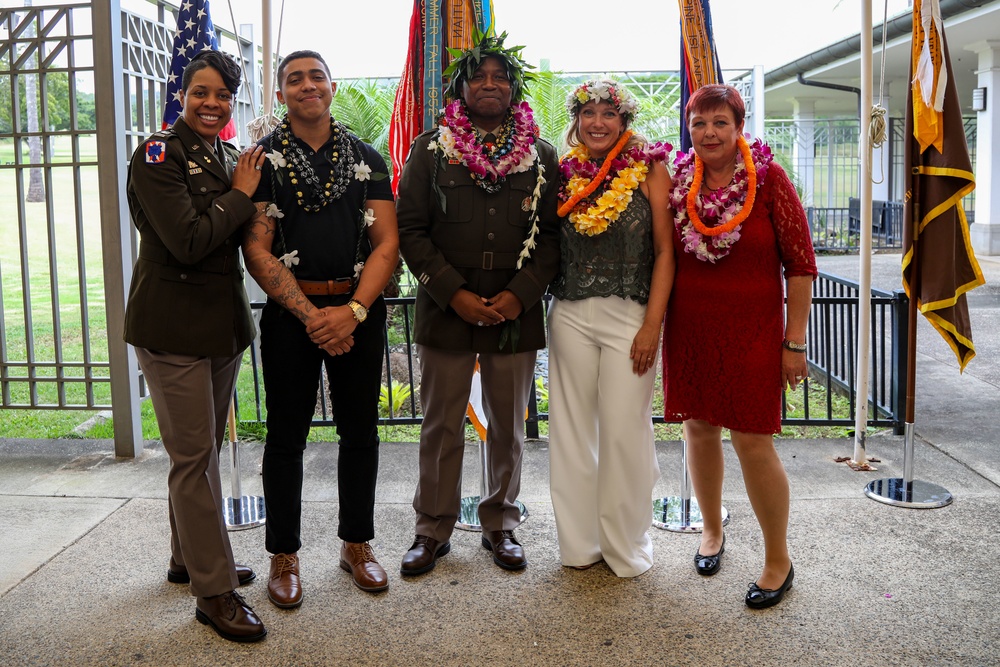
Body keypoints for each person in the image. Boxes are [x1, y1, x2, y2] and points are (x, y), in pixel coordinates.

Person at [395, 31, 560, 575]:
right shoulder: (430, 147)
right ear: (461, 88)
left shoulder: (541, 154)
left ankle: (501, 523)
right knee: (441, 422)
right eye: (478, 77)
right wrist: (453, 293)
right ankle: (432, 528)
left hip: (515, 312)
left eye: (500, 77)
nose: (489, 85)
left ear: (514, 88)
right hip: (447, 307)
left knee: (509, 423)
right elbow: (411, 229)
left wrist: (519, 297)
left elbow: (554, 239)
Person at [242, 50, 399, 605]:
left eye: (316, 76)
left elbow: (387, 243)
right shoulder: (262, 161)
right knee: (285, 438)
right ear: (281, 93)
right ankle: (283, 556)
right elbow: (256, 249)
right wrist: (312, 317)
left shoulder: (367, 156)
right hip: (293, 320)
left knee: (361, 432)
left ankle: (356, 544)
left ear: (332, 86)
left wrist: (352, 311)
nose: (307, 86)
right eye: (293, 79)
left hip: (358, 313)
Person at [124, 50, 267, 642]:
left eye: (223, 94)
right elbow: (186, 240)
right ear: (181, 94)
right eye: (201, 92)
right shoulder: (157, 154)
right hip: (172, 327)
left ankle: (190, 558)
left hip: (219, 326)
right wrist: (238, 196)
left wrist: (238, 192)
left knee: (201, 449)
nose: (213, 103)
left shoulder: (226, 155)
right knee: (192, 459)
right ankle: (213, 593)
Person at [662, 84, 817, 608]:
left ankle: (779, 559)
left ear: (739, 128)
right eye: (699, 123)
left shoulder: (769, 179)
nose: (708, 132)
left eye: (719, 122)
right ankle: (712, 530)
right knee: (699, 428)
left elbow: (800, 266)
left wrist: (794, 342)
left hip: (754, 333)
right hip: (691, 330)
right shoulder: (679, 180)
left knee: (753, 440)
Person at [548, 80, 675, 577]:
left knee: (624, 432)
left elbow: (666, 252)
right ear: (576, 120)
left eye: (608, 113)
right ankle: (579, 545)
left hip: (631, 315)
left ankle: (625, 545)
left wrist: (651, 327)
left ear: (624, 121)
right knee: (572, 432)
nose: (597, 122)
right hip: (571, 314)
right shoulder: (563, 174)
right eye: (588, 113)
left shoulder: (649, 169)